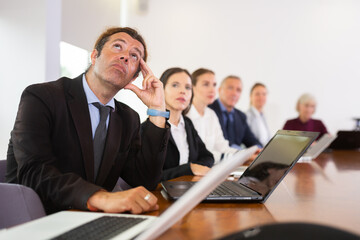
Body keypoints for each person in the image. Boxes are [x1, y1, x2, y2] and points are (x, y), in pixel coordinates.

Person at [6, 27, 170, 214]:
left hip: (89, 218)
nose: (125, 56)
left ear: (134, 77)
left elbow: (145, 180)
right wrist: (100, 197)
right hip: (35, 217)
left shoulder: (128, 118)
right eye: (118, 46)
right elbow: (34, 171)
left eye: (134, 56)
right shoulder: (42, 97)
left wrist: (157, 111)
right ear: (94, 56)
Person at [142, 67, 214, 181]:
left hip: (189, 188)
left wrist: (195, 168)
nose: (183, 91)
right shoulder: (149, 129)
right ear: (162, 90)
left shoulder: (187, 123)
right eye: (175, 85)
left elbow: (208, 157)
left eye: (188, 87)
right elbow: (146, 178)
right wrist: (188, 169)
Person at [186, 68, 238, 163]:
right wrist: (227, 156)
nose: (212, 90)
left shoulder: (211, 114)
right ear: (192, 87)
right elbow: (196, 155)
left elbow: (222, 147)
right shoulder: (185, 115)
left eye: (214, 85)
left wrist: (244, 154)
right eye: (206, 84)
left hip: (211, 168)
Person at [209, 75, 262, 149]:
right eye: (230, 88)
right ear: (220, 90)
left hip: (237, 158)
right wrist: (240, 152)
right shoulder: (209, 110)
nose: (234, 93)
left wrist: (260, 150)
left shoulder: (241, 116)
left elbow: (252, 140)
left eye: (238, 90)